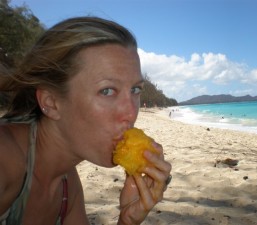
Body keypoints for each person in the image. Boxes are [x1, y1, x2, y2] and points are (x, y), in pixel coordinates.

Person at [0, 16, 172, 225]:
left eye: (135, 89)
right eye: (107, 91)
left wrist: (128, 220)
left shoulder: (66, 185)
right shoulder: (5, 160)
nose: (130, 113)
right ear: (51, 102)